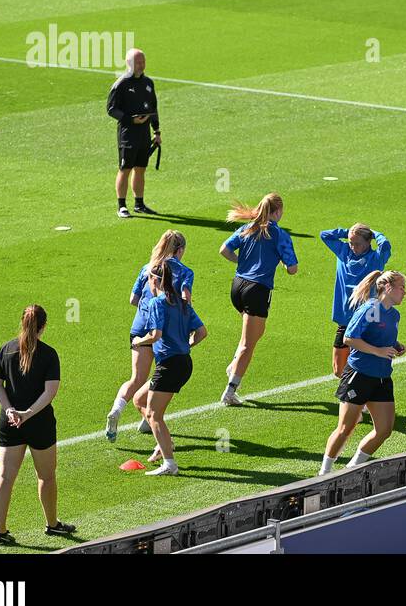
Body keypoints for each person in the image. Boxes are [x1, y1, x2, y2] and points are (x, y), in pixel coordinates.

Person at [0, 305, 75, 545]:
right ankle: (52, 524)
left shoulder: (6, 349)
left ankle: (0, 531)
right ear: (44, 326)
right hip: (40, 423)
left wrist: (10, 410)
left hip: (9, 423)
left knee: (5, 477)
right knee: (46, 477)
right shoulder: (49, 354)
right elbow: (50, 392)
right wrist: (27, 414)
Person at [107, 230, 193, 442]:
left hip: (140, 328)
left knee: (137, 378)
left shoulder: (147, 267)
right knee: (165, 376)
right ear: (180, 250)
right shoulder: (184, 272)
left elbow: (133, 299)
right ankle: (153, 420)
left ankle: (118, 410)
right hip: (165, 331)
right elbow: (185, 301)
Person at [321, 270, 406, 473]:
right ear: (388, 288)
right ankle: (324, 472)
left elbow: (378, 333)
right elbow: (349, 338)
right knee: (346, 428)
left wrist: (395, 345)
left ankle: (353, 467)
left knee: (384, 429)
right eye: (402, 287)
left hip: (382, 377)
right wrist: (378, 351)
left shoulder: (394, 314)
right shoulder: (372, 308)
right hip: (359, 375)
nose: (405, 292)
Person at [219, 193, 298, 405]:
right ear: (278, 211)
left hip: (238, 286)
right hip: (258, 290)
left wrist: (241, 262)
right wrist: (281, 262)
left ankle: (234, 363)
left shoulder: (248, 227)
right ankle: (230, 390)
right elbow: (292, 269)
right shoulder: (279, 234)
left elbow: (224, 250)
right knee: (248, 344)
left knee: (255, 332)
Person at [133, 261, 207, 476]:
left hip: (169, 365)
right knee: (139, 399)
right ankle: (164, 441)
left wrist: (139, 342)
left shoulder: (157, 303)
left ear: (153, 280)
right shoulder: (183, 303)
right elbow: (202, 332)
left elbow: (156, 335)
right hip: (184, 362)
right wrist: (186, 346)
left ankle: (169, 463)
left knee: (155, 415)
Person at [320, 223, 391, 378]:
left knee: (363, 367)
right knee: (339, 370)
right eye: (350, 242)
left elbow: (385, 245)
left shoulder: (376, 258)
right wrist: (348, 232)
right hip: (345, 319)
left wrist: (374, 233)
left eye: (357, 243)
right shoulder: (343, 252)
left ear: (368, 242)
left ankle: (360, 398)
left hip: (367, 320)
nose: (353, 246)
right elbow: (324, 234)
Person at [106, 48, 160, 218]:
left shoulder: (148, 83)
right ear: (129, 63)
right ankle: (121, 206)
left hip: (144, 134)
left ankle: (139, 204)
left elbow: (153, 108)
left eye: (143, 62)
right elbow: (111, 109)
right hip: (128, 134)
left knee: (141, 169)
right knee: (125, 168)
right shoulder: (121, 84)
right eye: (138, 62)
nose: (141, 65)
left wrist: (157, 131)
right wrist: (131, 120)